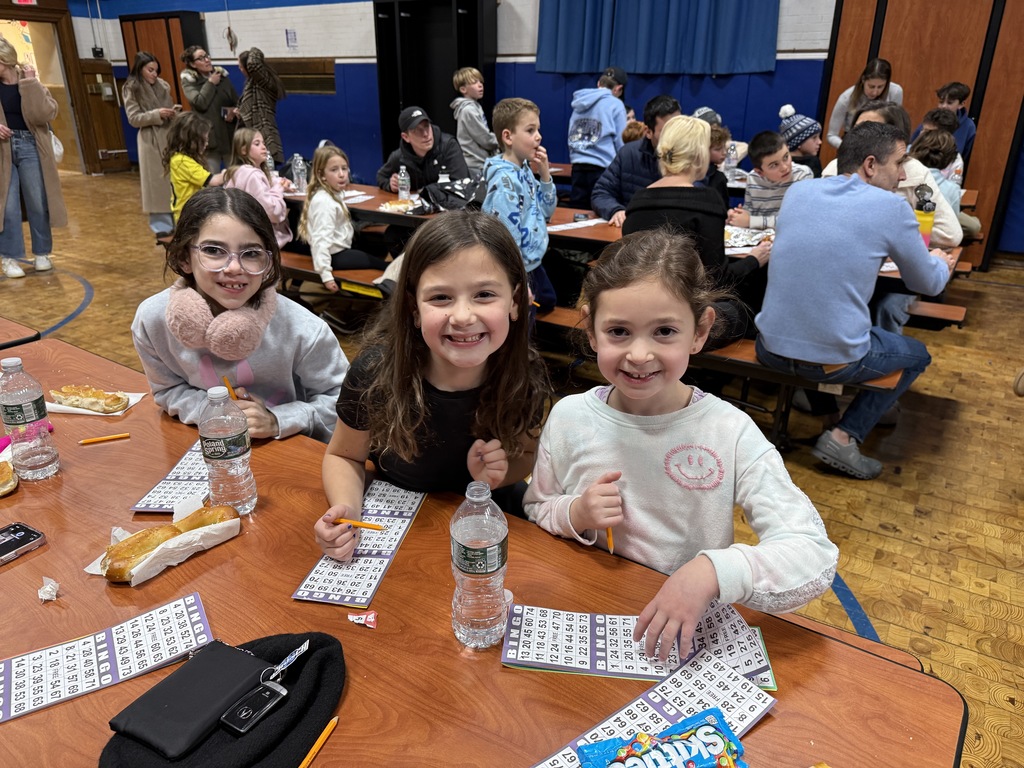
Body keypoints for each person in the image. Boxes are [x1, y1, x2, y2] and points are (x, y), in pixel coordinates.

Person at [523, 228, 838, 661]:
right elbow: (538, 505)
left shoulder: (729, 431)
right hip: (590, 615)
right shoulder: (569, 417)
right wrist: (575, 512)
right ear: (592, 331)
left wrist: (712, 571)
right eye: (618, 331)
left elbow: (812, 553)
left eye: (665, 331)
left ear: (700, 330)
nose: (638, 354)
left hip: (685, 632)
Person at [313, 211, 550, 561]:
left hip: (485, 529)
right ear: (413, 307)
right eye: (441, 298)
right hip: (403, 521)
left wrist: (498, 474)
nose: (463, 316)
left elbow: (525, 458)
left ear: (515, 301)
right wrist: (347, 510)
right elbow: (344, 455)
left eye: (484, 294)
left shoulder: (524, 376)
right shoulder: (376, 371)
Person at [755, 122, 958, 480]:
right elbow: (926, 282)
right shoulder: (890, 208)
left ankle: (829, 414)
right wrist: (942, 264)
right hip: (825, 357)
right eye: (898, 163)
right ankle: (844, 435)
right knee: (915, 355)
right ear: (870, 165)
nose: (901, 175)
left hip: (768, 345)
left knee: (821, 330)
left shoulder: (799, 193)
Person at [131, 187, 349, 443]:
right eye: (213, 250)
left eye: (252, 254)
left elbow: (346, 402)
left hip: (288, 448)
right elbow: (168, 390)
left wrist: (277, 419)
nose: (234, 267)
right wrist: (215, 412)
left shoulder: (304, 330)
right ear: (184, 259)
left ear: (268, 263)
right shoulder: (152, 321)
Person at [623, 115, 768, 345]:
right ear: (701, 153)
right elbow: (716, 280)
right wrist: (753, 260)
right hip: (682, 320)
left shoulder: (637, 200)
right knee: (744, 308)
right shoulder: (706, 200)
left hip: (639, 313)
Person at [823, 101, 962, 249]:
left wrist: (896, 233)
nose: (858, 136)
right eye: (857, 128)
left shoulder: (915, 172)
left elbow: (950, 234)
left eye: (870, 128)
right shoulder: (834, 167)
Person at [482, 97, 557, 313]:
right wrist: (517, 280)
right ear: (508, 137)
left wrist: (544, 174)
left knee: (548, 302)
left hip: (533, 262)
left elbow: (547, 212)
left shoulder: (523, 169)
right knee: (524, 320)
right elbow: (505, 240)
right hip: (517, 267)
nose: (539, 136)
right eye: (530, 130)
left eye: (538, 129)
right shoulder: (505, 184)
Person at [298, 144, 388, 291]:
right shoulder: (324, 202)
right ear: (322, 175)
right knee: (384, 266)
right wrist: (326, 275)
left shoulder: (332, 194)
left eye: (344, 168)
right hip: (335, 256)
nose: (341, 174)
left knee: (378, 243)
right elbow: (321, 241)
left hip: (340, 248)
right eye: (334, 170)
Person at [590, 95, 681, 227]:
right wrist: (616, 210)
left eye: (678, 129)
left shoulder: (691, 158)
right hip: (635, 234)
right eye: (666, 131)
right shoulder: (628, 154)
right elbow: (601, 193)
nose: (674, 136)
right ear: (648, 132)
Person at [120, 51, 175, 240]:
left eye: (156, 70)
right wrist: (156, 114)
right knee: (155, 185)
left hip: (168, 136)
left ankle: (177, 221)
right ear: (140, 69)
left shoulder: (163, 86)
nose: (154, 74)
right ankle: (161, 226)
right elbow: (134, 118)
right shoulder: (131, 88)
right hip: (149, 139)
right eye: (150, 70)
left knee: (173, 181)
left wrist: (171, 112)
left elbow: (168, 107)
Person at [567, 66, 628, 209]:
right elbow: (621, 140)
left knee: (577, 210)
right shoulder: (616, 104)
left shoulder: (579, 102)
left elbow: (572, 132)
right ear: (618, 89)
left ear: (598, 84)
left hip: (578, 165)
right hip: (602, 167)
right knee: (599, 208)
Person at [727, 131, 813, 230]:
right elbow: (750, 211)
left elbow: (796, 220)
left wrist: (751, 221)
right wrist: (738, 215)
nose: (784, 167)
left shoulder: (803, 175)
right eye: (774, 165)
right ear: (760, 172)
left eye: (786, 157)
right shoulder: (753, 178)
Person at [223, 128, 293, 248]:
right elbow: (272, 213)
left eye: (263, 143)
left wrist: (278, 183)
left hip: (238, 235)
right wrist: (279, 189)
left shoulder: (237, 171)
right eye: (257, 144)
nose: (264, 147)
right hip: (260, 239)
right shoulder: (253, 176)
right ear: (244, 150)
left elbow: (266, 183)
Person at [376, 106, 469, 192]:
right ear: (406, 137)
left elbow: (463, 182)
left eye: (427, 126)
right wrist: (391, 185)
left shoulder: (448, 146)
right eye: (417, 130)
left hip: (448, 207)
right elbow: (381, 176)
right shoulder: (400, 157)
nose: (425, 134)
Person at [909, 128, 981, 238]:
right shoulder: (952, 189)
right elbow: (952, 227)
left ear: (914, 149)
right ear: (949, 160)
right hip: (933, 241)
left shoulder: (900, 177)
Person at [179, 45, 239, 172]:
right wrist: (210, 83)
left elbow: (236, 101)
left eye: (206, 56)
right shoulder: (189, 81)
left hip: (229, 135)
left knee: (236, 177)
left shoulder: (221, 76)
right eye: (201, 58)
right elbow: (199, 102)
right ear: (193, 64)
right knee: (211, 181)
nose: (206, 60)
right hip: (208, 138)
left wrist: (233, 110)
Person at [163, 112, 225, 223]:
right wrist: (232, 172)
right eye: (203, 140)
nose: (206, 144)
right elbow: (213, 181)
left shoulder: (185, 159)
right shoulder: (181, 161)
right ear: (190, 139)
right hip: (188, 216)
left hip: (194, 211)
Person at [826, 58, 903, 148]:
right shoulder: (846, 98)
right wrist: (846, 148)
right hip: (853, 143)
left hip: (882, 144)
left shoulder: (895, 92)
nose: (875, 92)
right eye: (871, 86)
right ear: (863, 80)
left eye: (880, 87)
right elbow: (831, 135)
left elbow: (896, 127)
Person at [237, 47, 285, 166]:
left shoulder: (264, 80)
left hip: (264, 132)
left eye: (241, 66)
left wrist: (253, 50)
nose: (239, 69)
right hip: (251, 134)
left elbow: (253, 64)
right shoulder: (251, 82)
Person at [449, 66, 498, 175]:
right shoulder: (468, 110)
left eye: (480, 81)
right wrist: (502, 140)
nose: (480, 85)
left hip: (481, 162)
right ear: (463, 89)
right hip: (475, 165)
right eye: (475, 82)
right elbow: (485, 140)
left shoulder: (476, 107)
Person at [910, 82, 975, 163]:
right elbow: (913, 145)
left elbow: (965, 156)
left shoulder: (968, 126)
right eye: (941, 102)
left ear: (961, 104)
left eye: (949, 103)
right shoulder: (931, 119)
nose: (944, 106)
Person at [778, 104, 822, 177]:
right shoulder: (812, 163)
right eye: (814, 137)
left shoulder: (779, 163)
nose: (820, 142)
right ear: (798, 141)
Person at [702, 123, 731, 206]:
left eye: (724, 148)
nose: (724, 153)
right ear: (704, 150)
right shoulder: (719, 178)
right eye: (718, 149)